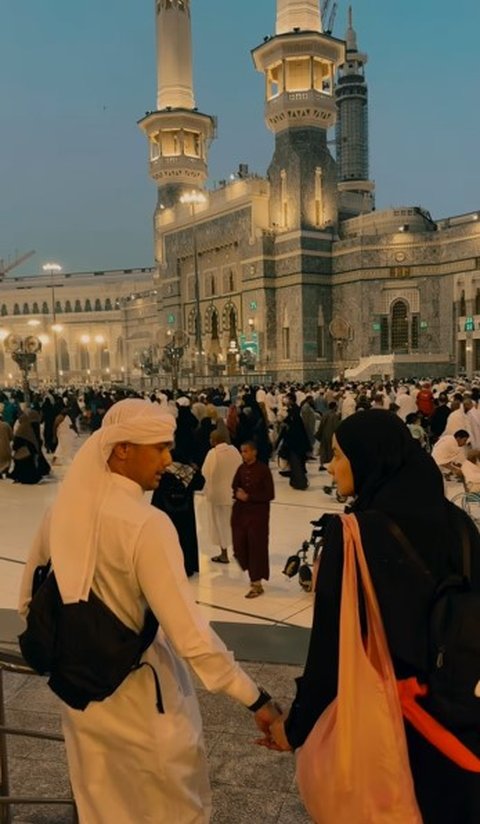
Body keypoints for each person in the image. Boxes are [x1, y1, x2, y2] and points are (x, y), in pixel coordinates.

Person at [19, 399, 280, 824]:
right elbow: (190, 636)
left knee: (102, 808)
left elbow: (28, 602)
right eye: (158, 447)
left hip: (85, 706)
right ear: (122, 448)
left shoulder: (61, 512)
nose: (168, 459)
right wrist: (257, 699)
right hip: (144, 707)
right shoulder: (145, 524)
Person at [265, 410, 480, 823]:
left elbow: (329, 655)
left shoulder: (353, 537)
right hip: (455, 718)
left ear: (369, 460)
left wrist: (295, 728)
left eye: (339, 455)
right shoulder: (458, 523)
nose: (329, 465)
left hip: (392, 729)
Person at [151, 447, 205, 578]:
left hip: (167, 513)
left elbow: (156, 490)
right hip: (185, 513)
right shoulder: (190, 472)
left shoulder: (164, 472)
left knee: (169, 540)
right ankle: (187, 567)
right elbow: (201, 484)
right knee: (185, 539)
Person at [231, 441, 275, 598]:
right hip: (241, 514)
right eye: (242, 451)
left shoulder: (263, 470)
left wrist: (249, 497)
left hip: (258, 516)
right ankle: (251, 573)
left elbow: (270, 494)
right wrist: (238, 494)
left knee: (256, 548)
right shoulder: (241, 469)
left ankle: (256, 583)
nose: (244, 454)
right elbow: (235, 486)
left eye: (246, 451)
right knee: (239, 546)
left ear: (254, 452)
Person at [202, 430, 242, 564]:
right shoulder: (234, 450)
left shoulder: (212, 454)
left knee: (220, 525)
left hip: (218, 496)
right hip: (233, 494)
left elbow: (205, 473)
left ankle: (224, 554)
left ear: (214, 441)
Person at [0, 413, 12, 478]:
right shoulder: (6, 425)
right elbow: (11, 436)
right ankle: (6, 472)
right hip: (6, 446)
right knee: (7, 460)